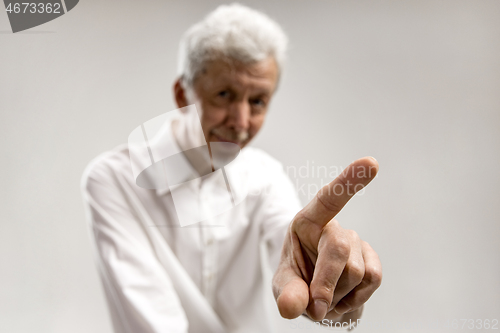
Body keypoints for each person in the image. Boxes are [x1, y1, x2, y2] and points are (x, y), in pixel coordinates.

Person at [81, 3, 382, 333]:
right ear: (183, 94)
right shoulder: (114, 179)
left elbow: (296, 257)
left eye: (257, 101)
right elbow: (153, 322)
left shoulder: (265, 176)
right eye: (224, 94)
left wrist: (333, 283)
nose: (240, 122)